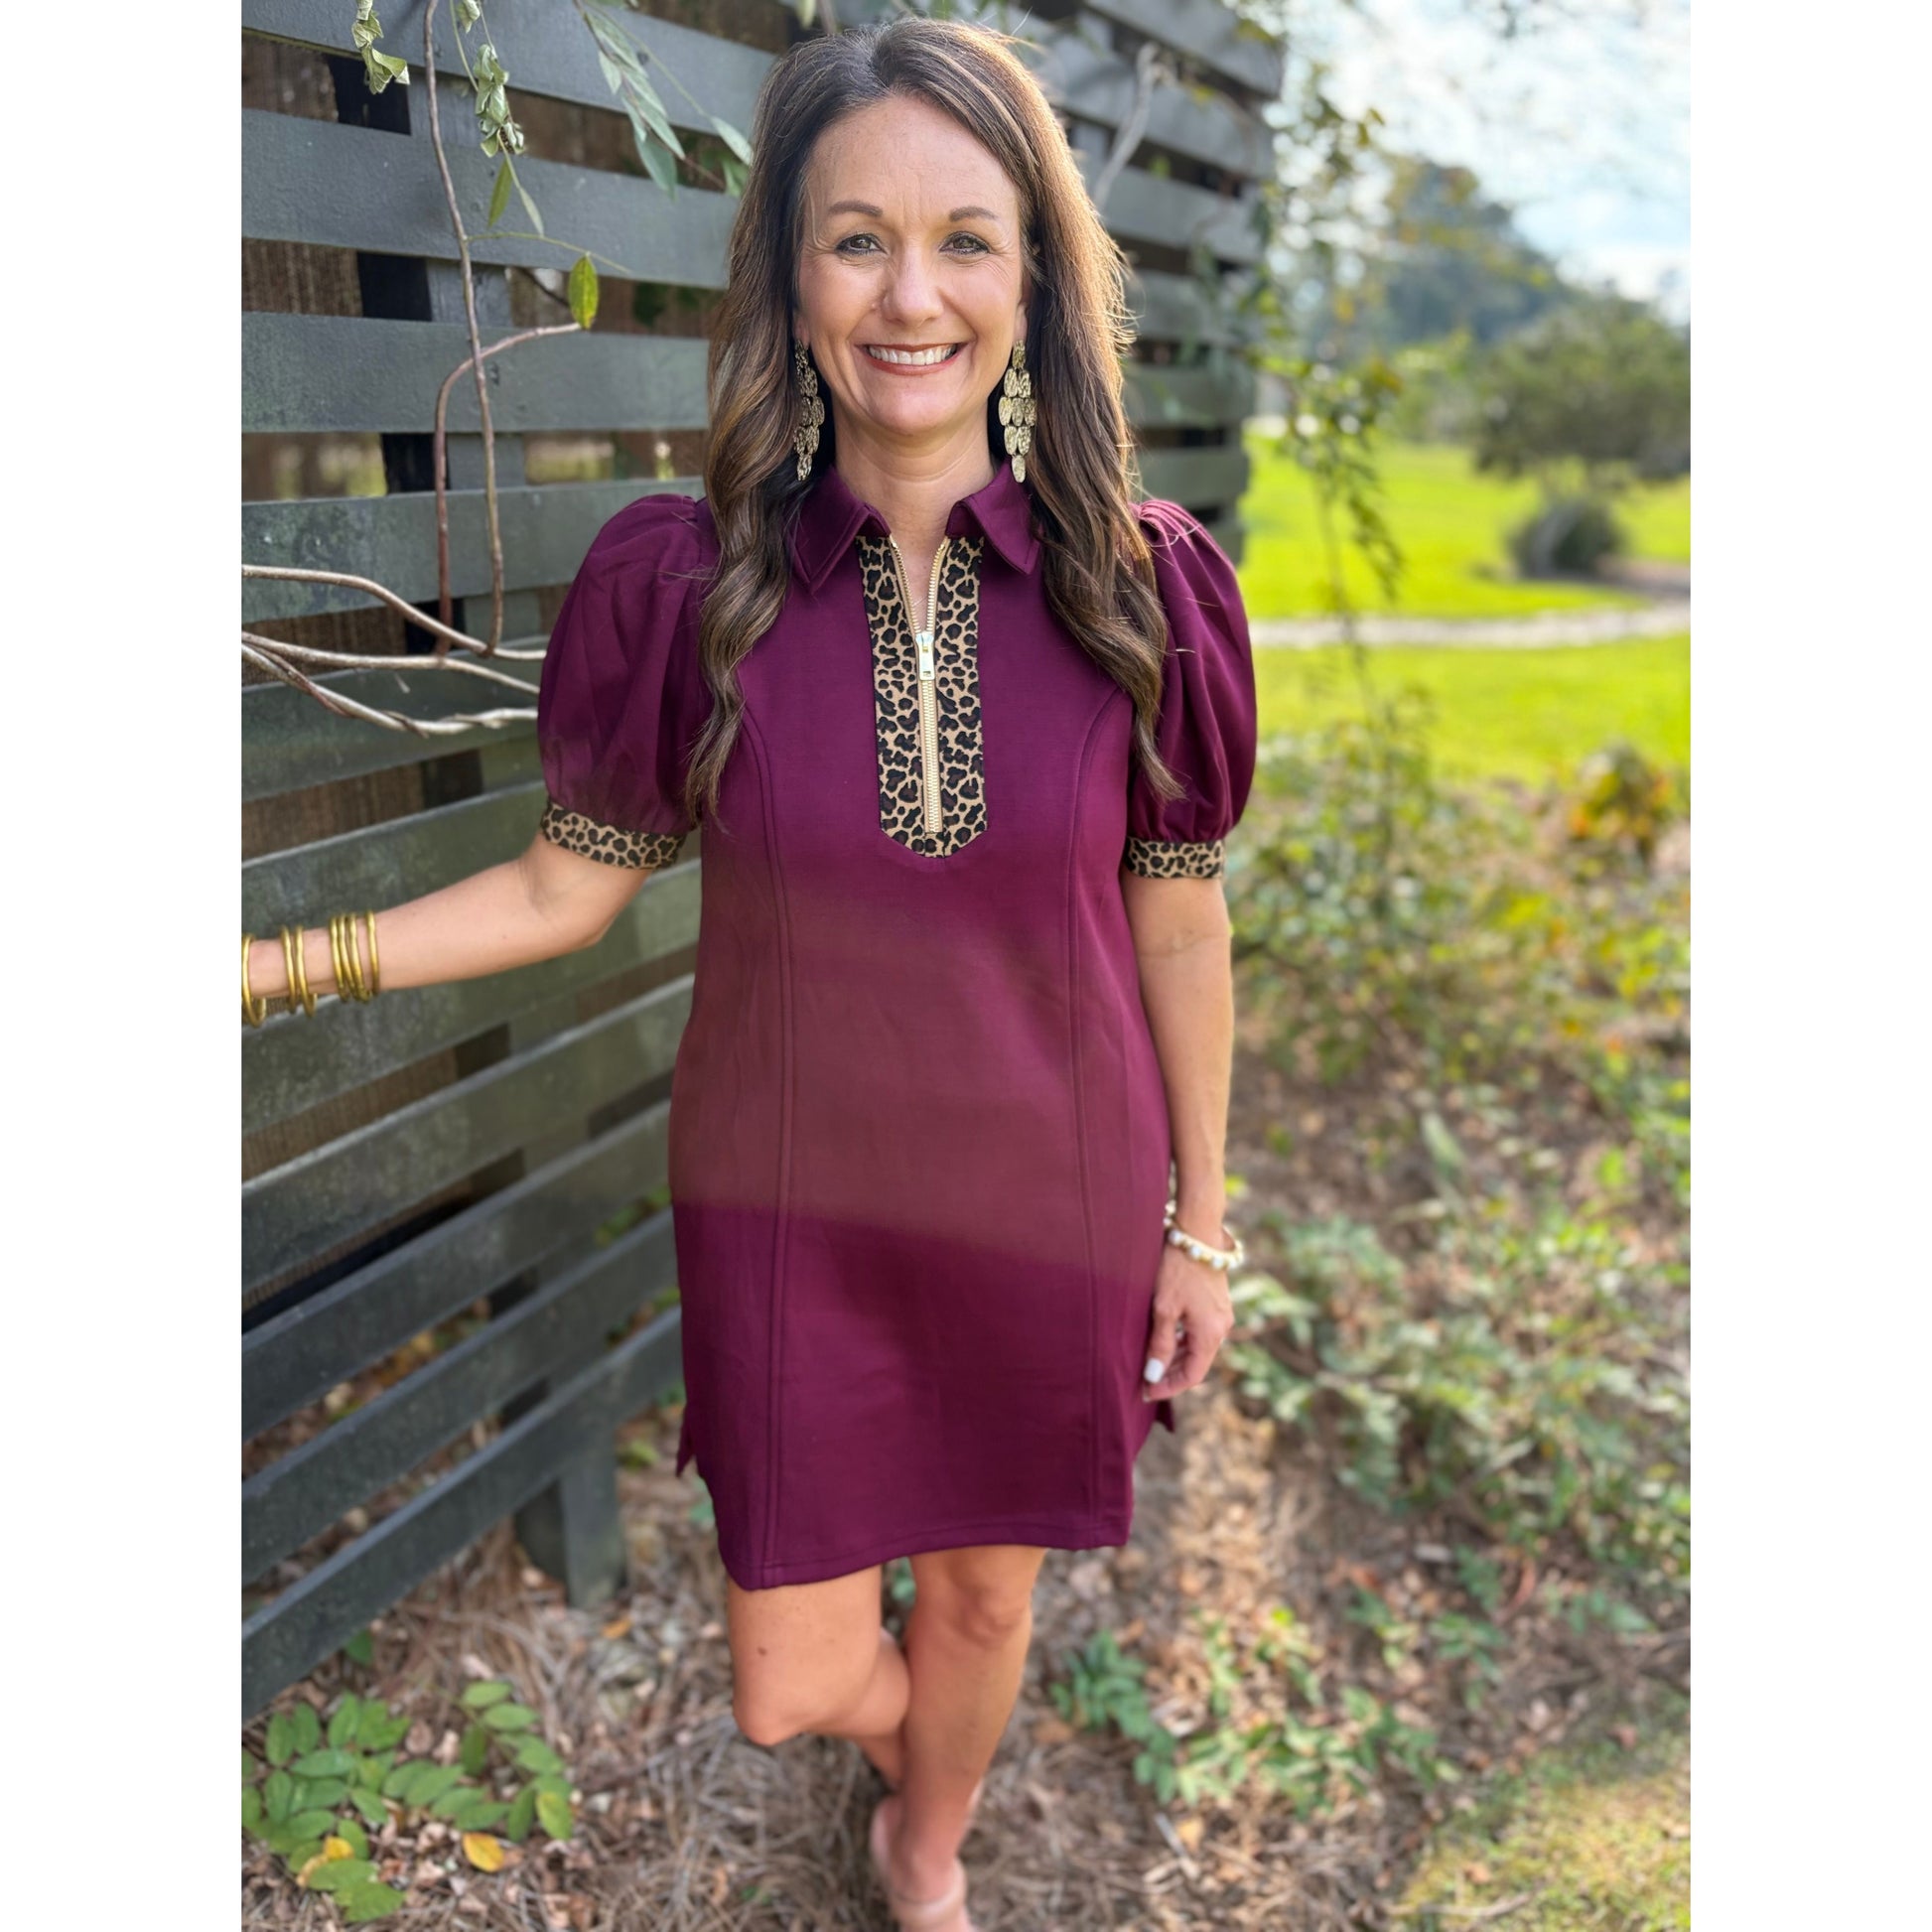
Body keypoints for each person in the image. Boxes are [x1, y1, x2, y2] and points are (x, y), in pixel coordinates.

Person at [242, 18, 1257, 1930]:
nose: (911, 293)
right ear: (789, 277)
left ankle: (925, 1842)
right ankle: (902, 1754)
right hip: (794, 1212)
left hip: (1055, 1194)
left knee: (979, 1594)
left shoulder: (1141, 590)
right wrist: (260, 964)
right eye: (855, 236)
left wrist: (1201, 1223)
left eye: (966, 239)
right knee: (791, 1682)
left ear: (1032, 279)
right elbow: (562, 890)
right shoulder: (685, 585)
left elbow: (1179, 918)